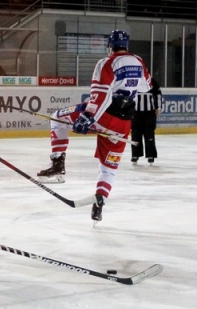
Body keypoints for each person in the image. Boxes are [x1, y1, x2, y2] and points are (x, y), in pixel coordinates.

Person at [38, 30, 151, 224]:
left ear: (110, 45)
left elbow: (102, 96)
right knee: (108, 168)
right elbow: (146, 86)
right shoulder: (138, 61)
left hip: (104, 116)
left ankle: (58, 164)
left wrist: (88, 117)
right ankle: (100, 201)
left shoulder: (106, 63)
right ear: (127, 45)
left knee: (57, 117)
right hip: (123, 124)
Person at [130, 77, 161, 165]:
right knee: (135, 134)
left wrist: (158, 107)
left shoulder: (152, 81)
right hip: (136, 112)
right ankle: (135, 154)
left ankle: (151, 155)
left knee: (149, 134)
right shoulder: (133, 80)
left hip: (150, 113)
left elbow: (158, 94)